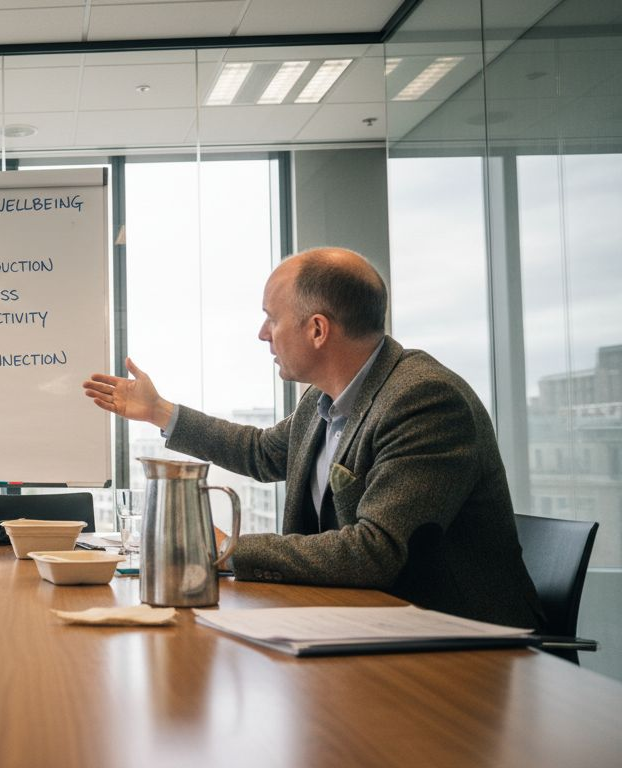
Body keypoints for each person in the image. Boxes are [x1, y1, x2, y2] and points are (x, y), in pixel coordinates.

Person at [82, 247, 543, 629]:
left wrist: (224, 552)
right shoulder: (320, 400)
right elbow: (262, 453)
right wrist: (158, 411)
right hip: (358, 624)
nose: (263, 334)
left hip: (458, 651)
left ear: (317, 329)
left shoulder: (423, 400)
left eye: (271, 319)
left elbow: (374, 551)